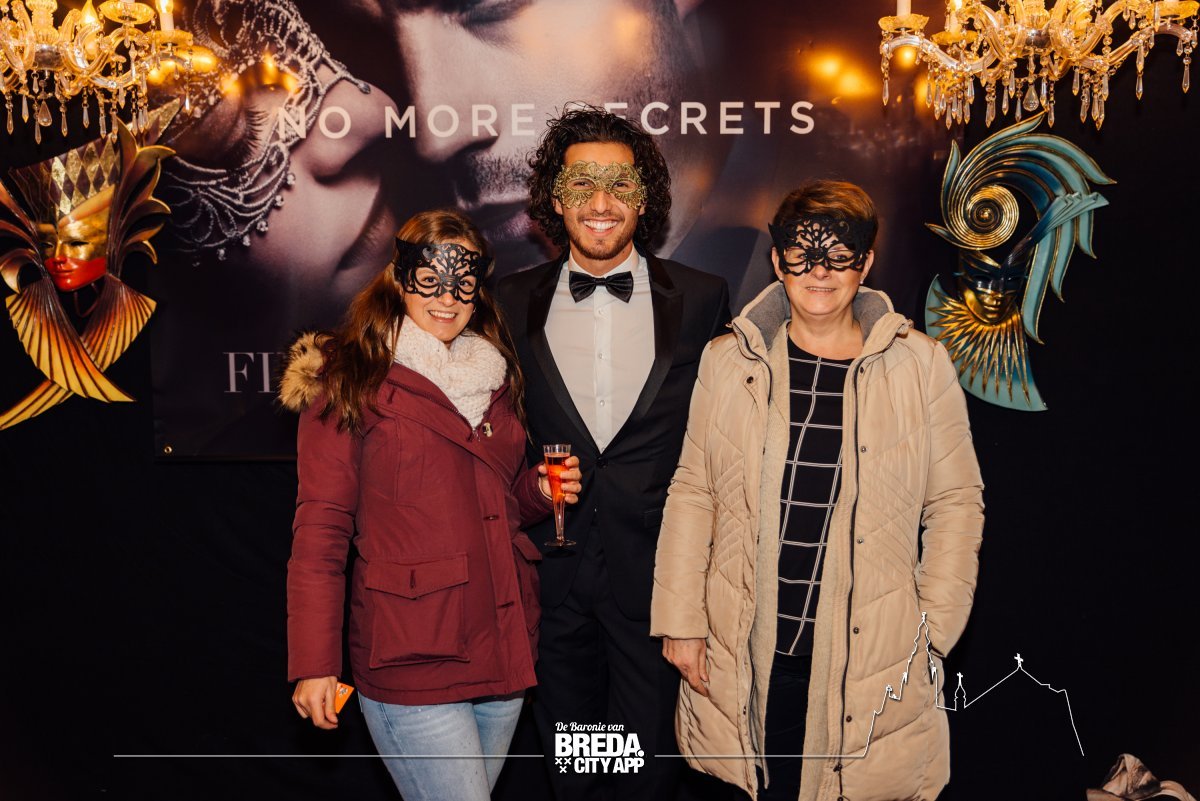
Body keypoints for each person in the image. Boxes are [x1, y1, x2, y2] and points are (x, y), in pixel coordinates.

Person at [650, 181, 984, 801]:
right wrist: (681, 618)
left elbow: (956, 501)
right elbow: (693, 490)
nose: (820, 271)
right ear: (778, 261)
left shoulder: (920, 365)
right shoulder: (728, 360)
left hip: (871, 653)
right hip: (746, 645)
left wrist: (933, 628)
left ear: (866, 263)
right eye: (802, 254)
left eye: (840, 253)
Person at [282, 208, 582, 801]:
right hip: (412, 652)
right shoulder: (350, 376)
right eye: (430, 280)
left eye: (463, 283)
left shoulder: (494, 373)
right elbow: (321, 530)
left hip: (501, 643)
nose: (447, 298)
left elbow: (492, 506)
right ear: (399, 279)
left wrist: (537, 493)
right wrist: (315, 662)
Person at [497, 108, 730, 801]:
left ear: (645, 197)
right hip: (553, 575)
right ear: (555, 198)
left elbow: (729, 439)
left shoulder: (702, 298)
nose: (601, 202)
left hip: (657, 577)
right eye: (582, 184)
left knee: (647, 769)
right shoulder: (508, 301)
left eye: (620, 184)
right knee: (575, 766)